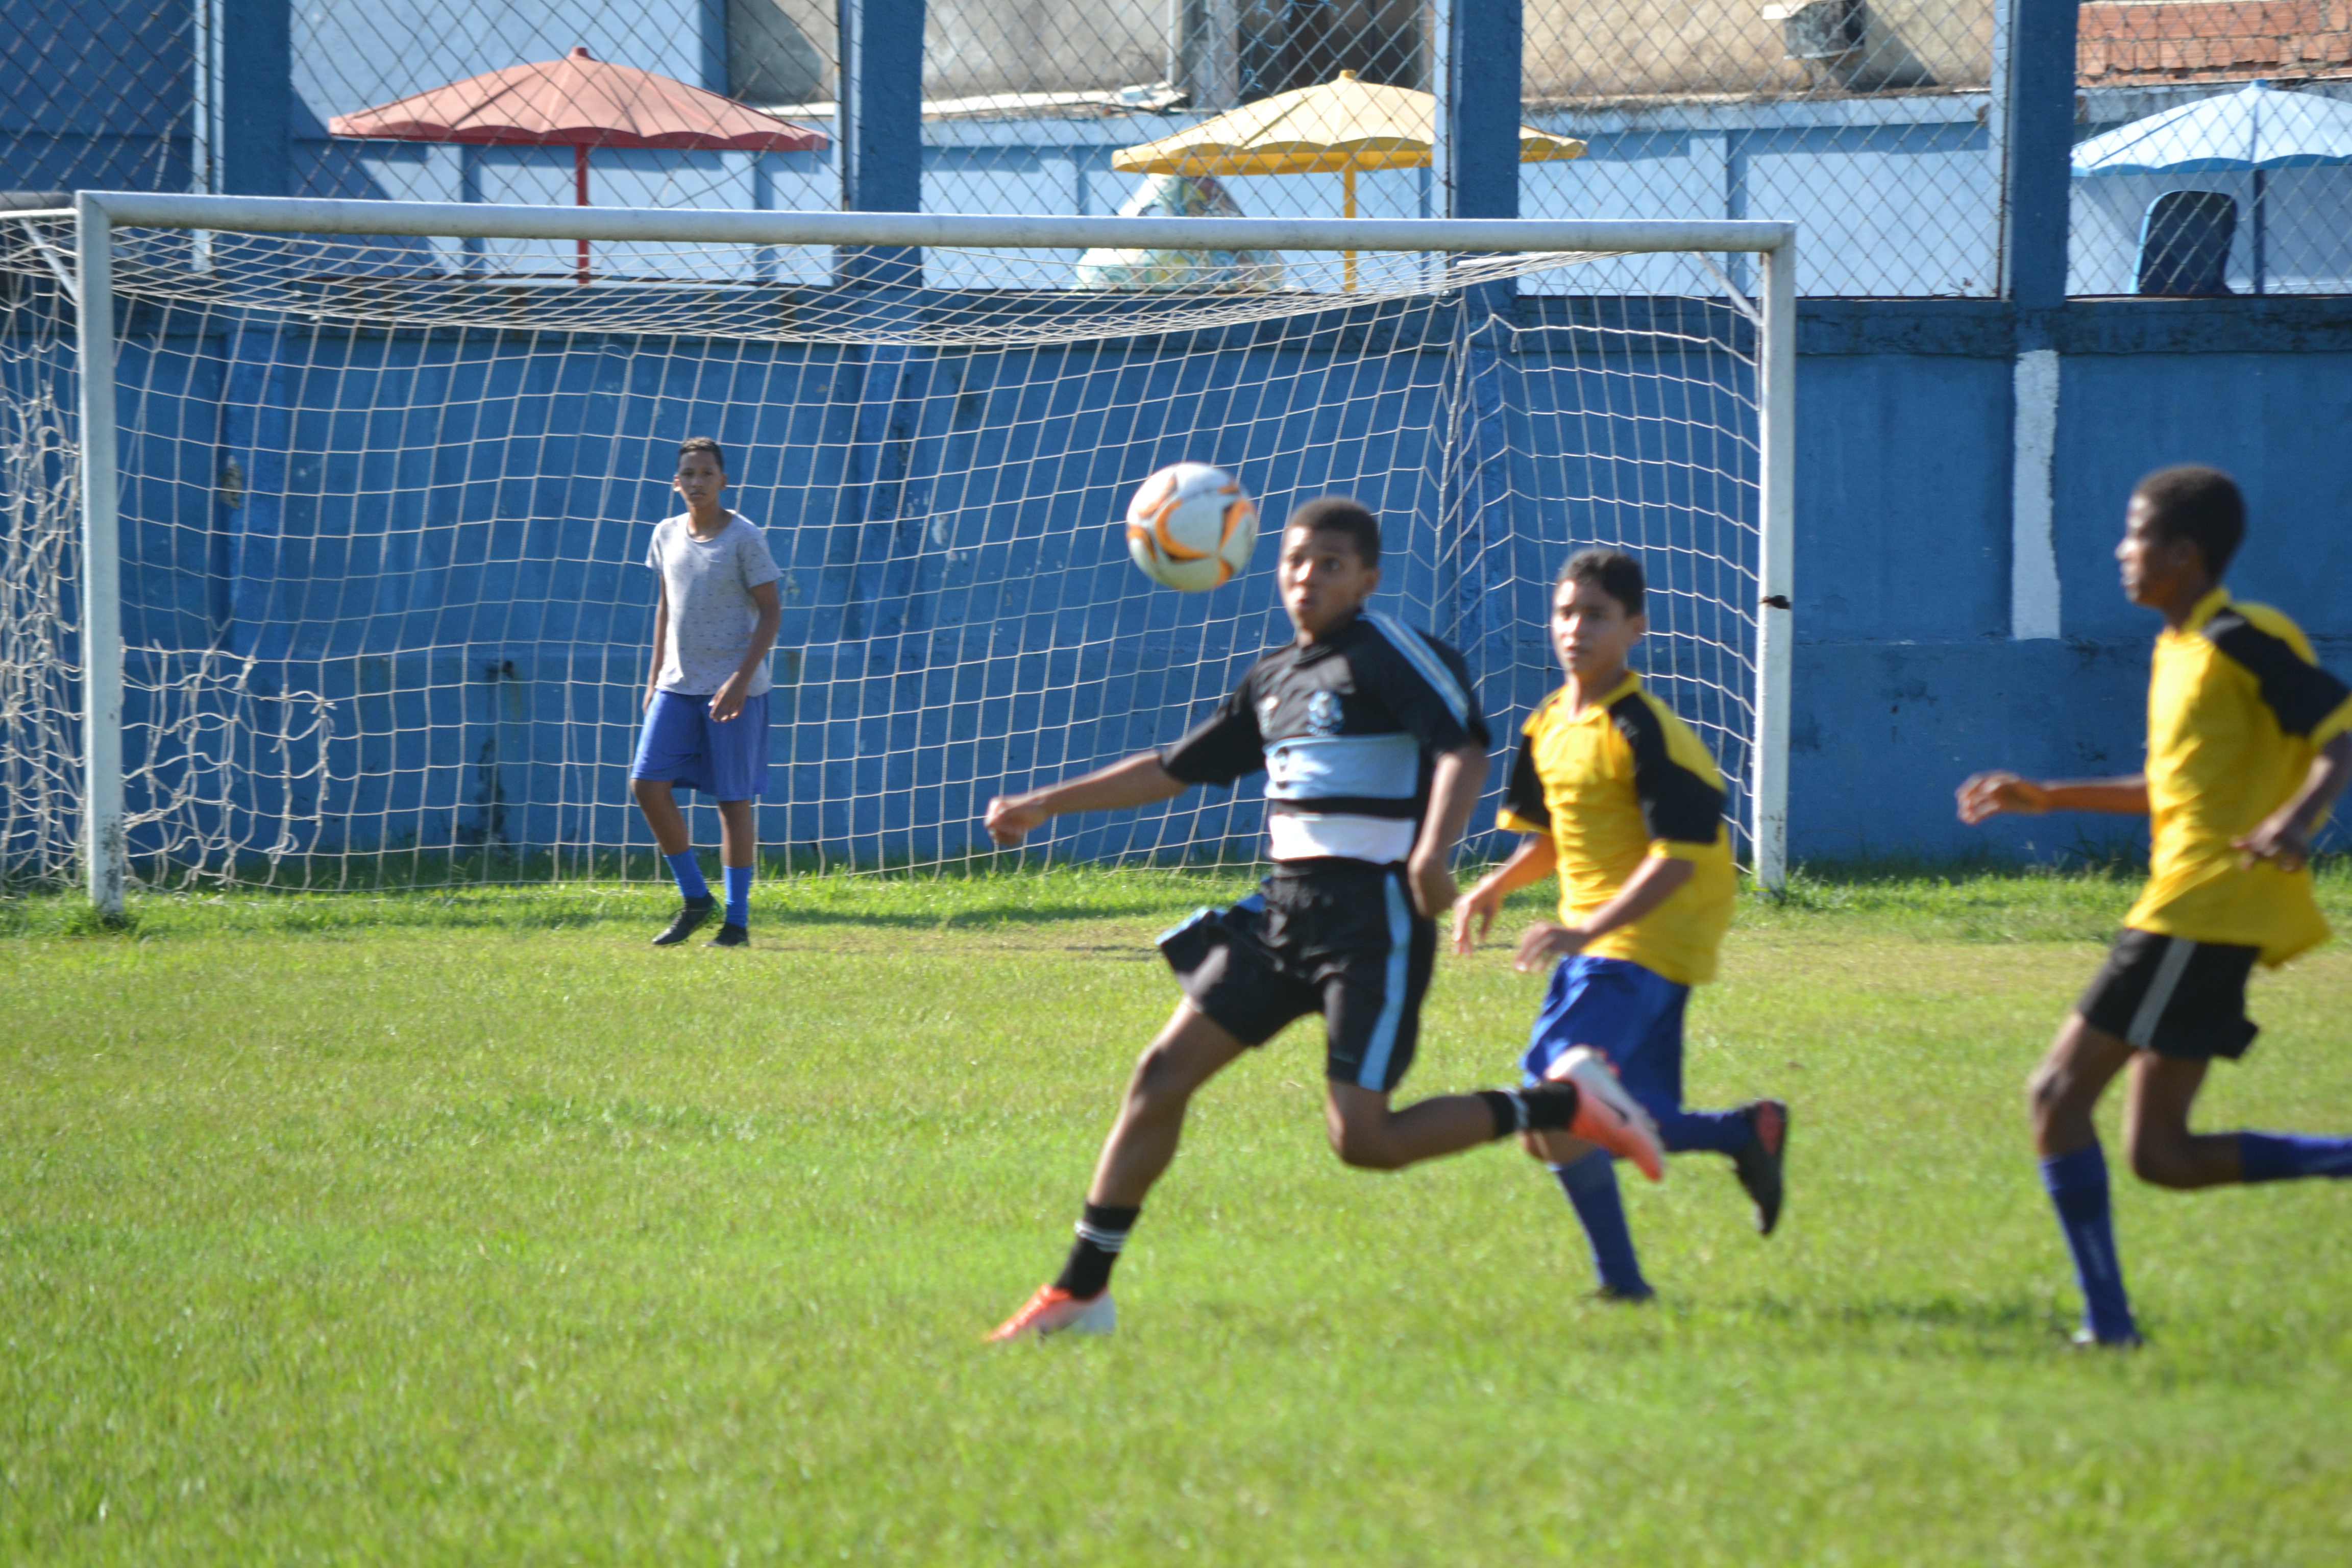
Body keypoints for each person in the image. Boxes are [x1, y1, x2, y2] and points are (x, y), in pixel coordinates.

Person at [981, 498, 1665, 1340]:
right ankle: (1080, 1292)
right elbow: (1171, 769)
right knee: (1159, 1075)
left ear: (1367, 578)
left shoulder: (1390, 654)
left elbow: (1463, 747)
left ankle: (1559, 1106)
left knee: (1363, 1139)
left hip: (1370, 921)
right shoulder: (1272, 679)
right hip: (1279, 917)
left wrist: (1431, 854)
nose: (1308, 578)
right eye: (1296, 562)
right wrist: (1041, 805)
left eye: (1331, 565)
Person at [1958, 464, 2352, 1347]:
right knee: (2159, 1156)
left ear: (2181, 553)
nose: (2119, 550)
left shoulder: (2236, 641)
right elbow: (2167, 787)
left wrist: (2293, 819)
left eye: (2133, 535)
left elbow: (2337, 726)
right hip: (2188, 909)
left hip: (2196, 909)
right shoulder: (2175, 646)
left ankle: (2108, 1326)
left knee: (2054, 1096)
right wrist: (2046, 795)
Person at [1453, 549, 1788, 1302]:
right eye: (1567, 613)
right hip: (1597, 941)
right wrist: (1496, 886)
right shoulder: (1546, 724)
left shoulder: (1647, 730)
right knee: (1576, 1121)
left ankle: (1626, 1274)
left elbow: (1678, 858)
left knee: (1558, 1096)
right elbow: (1552, 839)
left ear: (1635, 627)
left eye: (1597, 616)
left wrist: (1585, 929)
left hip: (1646, 939)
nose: (1577, 629)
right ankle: (1740, 1136)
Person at [629, 436, 783, 948]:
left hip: (733, 689)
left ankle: (736, 922)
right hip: (677, 684)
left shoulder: (745, 538)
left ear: (724, 480)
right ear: (676, 483)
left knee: (732, 802)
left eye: (706, 474)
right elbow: (665, 608)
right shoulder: (665, 534)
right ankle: (697, 899)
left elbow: (772, 612)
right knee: (647, 785)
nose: (696, 483)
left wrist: (740, 682)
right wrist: (653, 681)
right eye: (688, 475)